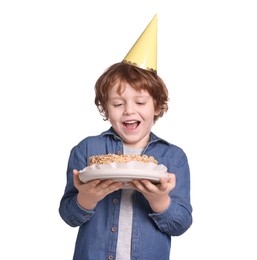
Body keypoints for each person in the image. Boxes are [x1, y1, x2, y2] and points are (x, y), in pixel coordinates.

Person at [59, 15, 192, 260]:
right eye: (118, 103)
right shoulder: (88, 150)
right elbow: (68, 215)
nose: (129, 110)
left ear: (158, 107)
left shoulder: (173, 157)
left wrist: (160, 200)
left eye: (140, 102)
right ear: (106, 109)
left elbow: (181, 224)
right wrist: (85, 199)